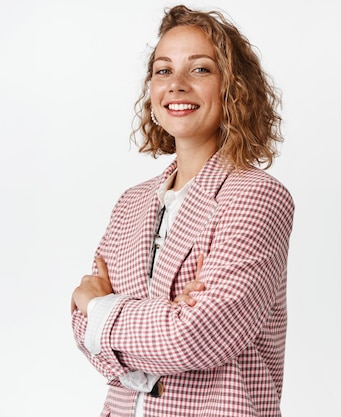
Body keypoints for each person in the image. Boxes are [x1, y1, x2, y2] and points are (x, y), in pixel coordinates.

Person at [70, 5, 294, 417]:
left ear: (234, 87)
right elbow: (81, 329)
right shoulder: (131, 203)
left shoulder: (258, 197)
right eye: (162, 70)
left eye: (200, 69)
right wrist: (161, 318)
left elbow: (196, 336)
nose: (176, 85)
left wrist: (101, 308)